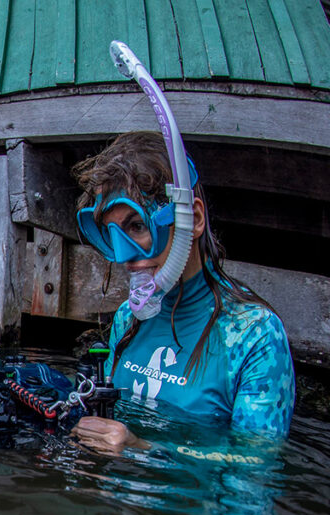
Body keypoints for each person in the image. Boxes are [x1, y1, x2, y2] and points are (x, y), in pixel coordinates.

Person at [68, 131, 295, 453]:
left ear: (195, 218)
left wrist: (144, 448)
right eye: (111, 232)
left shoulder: (254, 335)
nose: (124, 256)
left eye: (137, 226)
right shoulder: (128, 317)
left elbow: (257, 465)